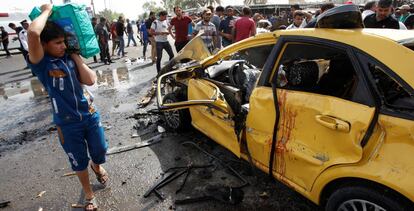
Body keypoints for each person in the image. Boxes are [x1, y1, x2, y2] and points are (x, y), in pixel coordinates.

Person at [27, 4, 108, 211]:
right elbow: (33, 33)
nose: (62, 46)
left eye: (64, 41)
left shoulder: (69, 58)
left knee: (100, 151)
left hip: (89, 115)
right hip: (67, 123)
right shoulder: (41, 64)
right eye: (57, 43)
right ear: (44, 45)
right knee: (78, 161)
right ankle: (89, 195)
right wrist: (46, 10)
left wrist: (74, 55)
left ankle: (97, 166)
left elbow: (90, 80)